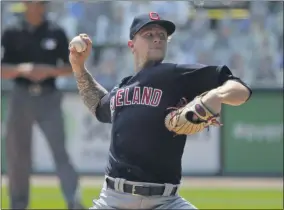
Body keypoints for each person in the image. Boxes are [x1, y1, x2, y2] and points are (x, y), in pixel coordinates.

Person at [69, 12, 252, 209]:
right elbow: (98, 105)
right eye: (148, 34)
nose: (157, 38)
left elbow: (240, 90)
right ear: (132, 45)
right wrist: (78, 66)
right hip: (113, 200)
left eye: (162, 36)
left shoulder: (176, 75)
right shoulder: (122, 87)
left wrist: (215, 96)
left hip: (165, 202)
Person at [1, 2, 84, 209]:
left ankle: (74, 201)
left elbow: (70, 67)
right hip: (21, 96)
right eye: (33, 3)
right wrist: (23, 69)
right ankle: (18, 205)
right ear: (26, 5)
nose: (37, 7)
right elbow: (2, 69)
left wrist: (48, 71)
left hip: (49, 96)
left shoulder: (56, 32)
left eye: (41, 3)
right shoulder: (11, 32)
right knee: (17, 156)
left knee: (60, 152)